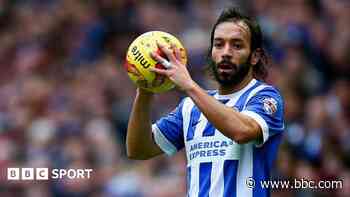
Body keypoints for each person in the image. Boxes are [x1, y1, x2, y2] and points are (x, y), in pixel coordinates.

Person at [126, 7, 284, 197]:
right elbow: (138, 149)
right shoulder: (189, 107)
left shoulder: (265, 96)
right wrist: (145, 89)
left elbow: (242, 132)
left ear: (255, 56)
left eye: (237, 45)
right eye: (219, 45)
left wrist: (190, 85)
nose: (226, 52)